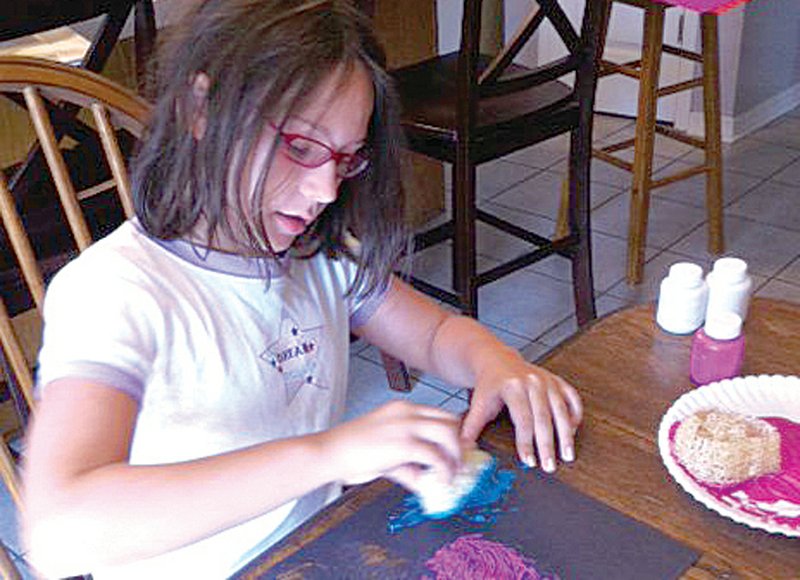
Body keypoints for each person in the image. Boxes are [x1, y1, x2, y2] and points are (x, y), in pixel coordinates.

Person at [21, 1, 583, 577]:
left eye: (345, 159)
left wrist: (498, 364)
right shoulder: (116, 293)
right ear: (203, 108)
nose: (324, 190)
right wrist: (330, 453)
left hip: (313, 552)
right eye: (301, 147)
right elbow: (60, 531)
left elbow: (436, 332)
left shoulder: (315, 255)